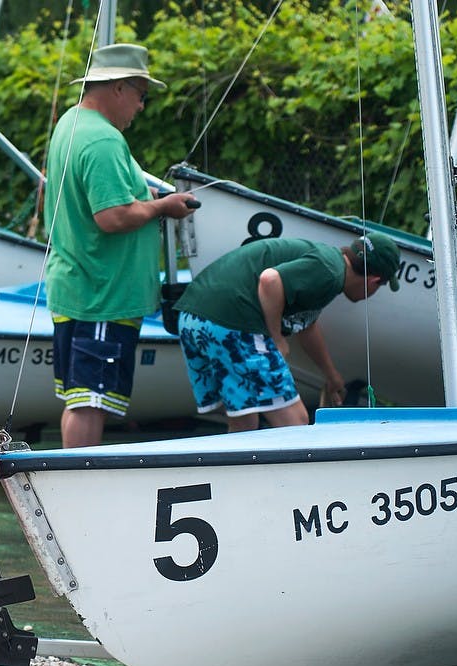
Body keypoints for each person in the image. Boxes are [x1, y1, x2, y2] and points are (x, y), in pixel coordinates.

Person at [44, 43, 197, 448]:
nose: (142, 106)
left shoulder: (71, 124)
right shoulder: (103, 141)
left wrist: (139, 197)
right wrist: (162, 206)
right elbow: (111, 216)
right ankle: (80, 491)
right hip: (101, 293)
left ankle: (75, 488)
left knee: (81, 396)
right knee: (90, 401)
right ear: (118, 89)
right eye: (141, 95)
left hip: (80, 284)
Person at [174, 232, 402, 432]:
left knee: (244, 421)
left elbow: (307, 326)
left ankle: (240, 481)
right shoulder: (329, 274)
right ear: (374, 280)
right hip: (233, 323)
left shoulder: (328, 263)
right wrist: (277, 338)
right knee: (296, 424)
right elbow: (270, 280)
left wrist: (331, 375)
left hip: (193, 317)